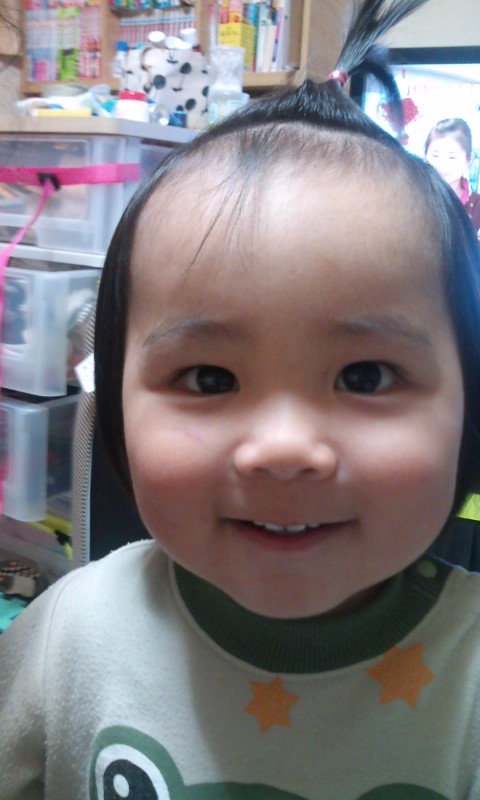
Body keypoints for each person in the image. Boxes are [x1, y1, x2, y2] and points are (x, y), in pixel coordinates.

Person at [2, 0, 480, 797]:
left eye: (365, 376)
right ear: (115, 405)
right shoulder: (71, 636)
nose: (283, 449)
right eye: (209, 379)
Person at [425, 117, 480, 238]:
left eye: (452, 157)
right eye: (435, 155)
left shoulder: (477, 206)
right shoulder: (414, 196)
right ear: (426, 155)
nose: (442, 164)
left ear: (468, 160)